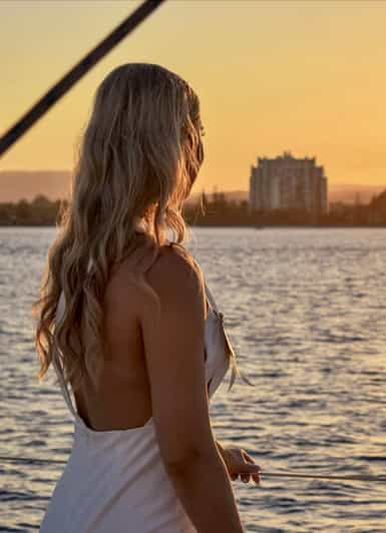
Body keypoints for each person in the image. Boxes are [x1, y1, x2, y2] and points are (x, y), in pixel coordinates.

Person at [34, 63, 260, 533]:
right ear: (175, 146)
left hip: (72, 512)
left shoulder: (82, 263)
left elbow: (129, 419)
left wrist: (218, 453)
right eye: (197, 134)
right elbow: (186, 456)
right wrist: (206, 457)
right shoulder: (164, 274)